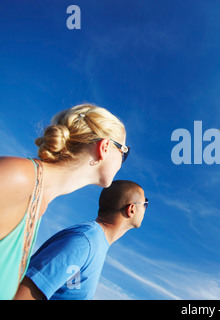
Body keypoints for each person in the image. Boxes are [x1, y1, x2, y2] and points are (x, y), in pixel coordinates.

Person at [0, 104, 129, 300]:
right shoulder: (20, 178)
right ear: (104, 148)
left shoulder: (37, 201)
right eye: (123, 152)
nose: (122, 161)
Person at [14, 180, 147, 300]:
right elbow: (23, 295)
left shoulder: (94, 243)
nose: (146, 208)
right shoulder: (84, 242)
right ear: (132, 209)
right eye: (145, 204)